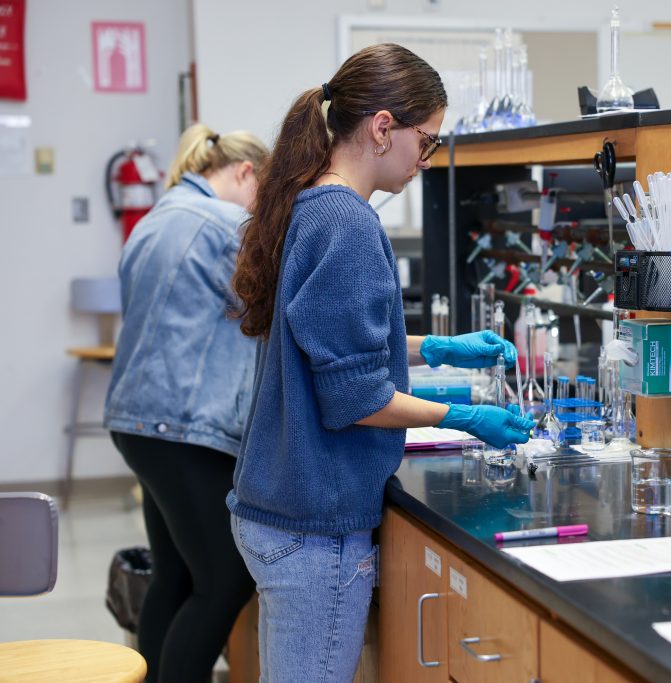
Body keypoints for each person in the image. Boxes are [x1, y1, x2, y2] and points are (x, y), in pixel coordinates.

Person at [228, 43, 534, 680]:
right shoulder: (349, 222)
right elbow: (356, 399)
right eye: (426, 142)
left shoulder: (311, 202)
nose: (426, 161)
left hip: (278, 506)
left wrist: (436, 347)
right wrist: (465, 416)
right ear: (383, 127)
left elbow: (331, 344)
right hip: (316, 524)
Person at [103, 123, 269, 682]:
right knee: (225, 581)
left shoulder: (155, 220)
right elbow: (275, 316)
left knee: (175, 576)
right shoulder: (224, 226)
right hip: (185, 428)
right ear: (246, 173)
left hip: (139, 422)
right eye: (265, 195)